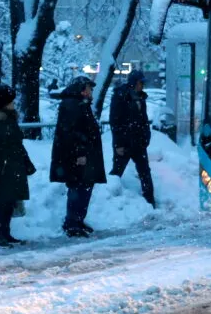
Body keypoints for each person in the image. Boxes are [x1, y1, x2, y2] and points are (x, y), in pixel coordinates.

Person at [50, 77, 106, 237]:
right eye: (89, 88)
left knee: (84, 187)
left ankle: (77, 220)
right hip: (76, 157)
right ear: (82, 89)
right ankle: (72, 223)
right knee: (78, 187)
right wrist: (80, 153)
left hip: (82, 155)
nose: (91, 91)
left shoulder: (79, 104)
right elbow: (72, 133)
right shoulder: (73, 105)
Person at [0, 85, 36, 248]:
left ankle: (6, 233)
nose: (14, 104)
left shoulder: (9, 120)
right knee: (0, 202)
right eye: (11, 101)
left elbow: (17, 145)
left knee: (9, 202)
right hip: (1, 170)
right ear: (3, 103)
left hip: (13, 167)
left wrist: (27, 163)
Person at [109, 71, 155, 208]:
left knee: (145, 171)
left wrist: (146, 137)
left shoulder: (141, 98)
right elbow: (115, 122)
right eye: (141, 83)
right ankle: (108, 201)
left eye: (143, 83)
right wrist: (119, 144)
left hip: (139, 143)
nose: (143, 85)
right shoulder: (120, 97)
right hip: (124, 143)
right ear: (134, 83)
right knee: (117, 172)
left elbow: (143, 120)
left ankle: (150, 201)